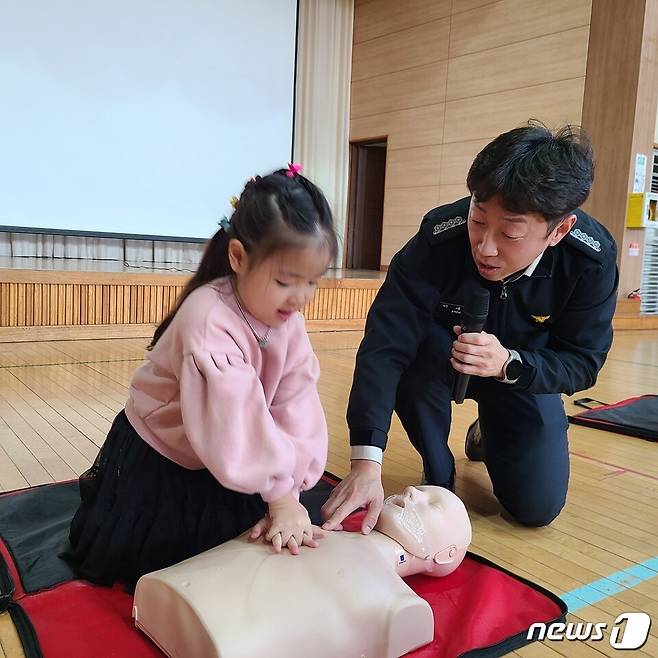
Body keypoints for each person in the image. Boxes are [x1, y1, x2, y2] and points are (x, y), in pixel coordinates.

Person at [322, 123, 618, 533]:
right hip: (437, 364)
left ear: (559, 229)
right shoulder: (438, 237)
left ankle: (490, 427)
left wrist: (509, 365)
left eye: (511, 233)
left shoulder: (589, 261)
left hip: (518, 371)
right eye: (478, 221)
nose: (486, 246)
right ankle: (438, 468)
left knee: (536, 509)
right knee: (437, 465)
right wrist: (365, 460)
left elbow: (583, 361)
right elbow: (385, 344)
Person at [61, 165, 338, 587]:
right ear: (239, 257)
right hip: (167, 455)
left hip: (229, 442)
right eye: (285, 281)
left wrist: (291, 487)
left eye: (312, 282)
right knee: (182, 571)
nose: (300, 298)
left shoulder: (287, 319)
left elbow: (296, 400)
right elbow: (234, 423)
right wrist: (279, 498)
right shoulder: (208, 320)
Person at [132, 485, 472, 658]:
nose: (413, 492)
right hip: (175, 590)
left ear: (445, 556)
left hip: (219, 637)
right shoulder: (310, 528)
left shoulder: (402, 605)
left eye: (433, 504)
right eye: (423, 490)